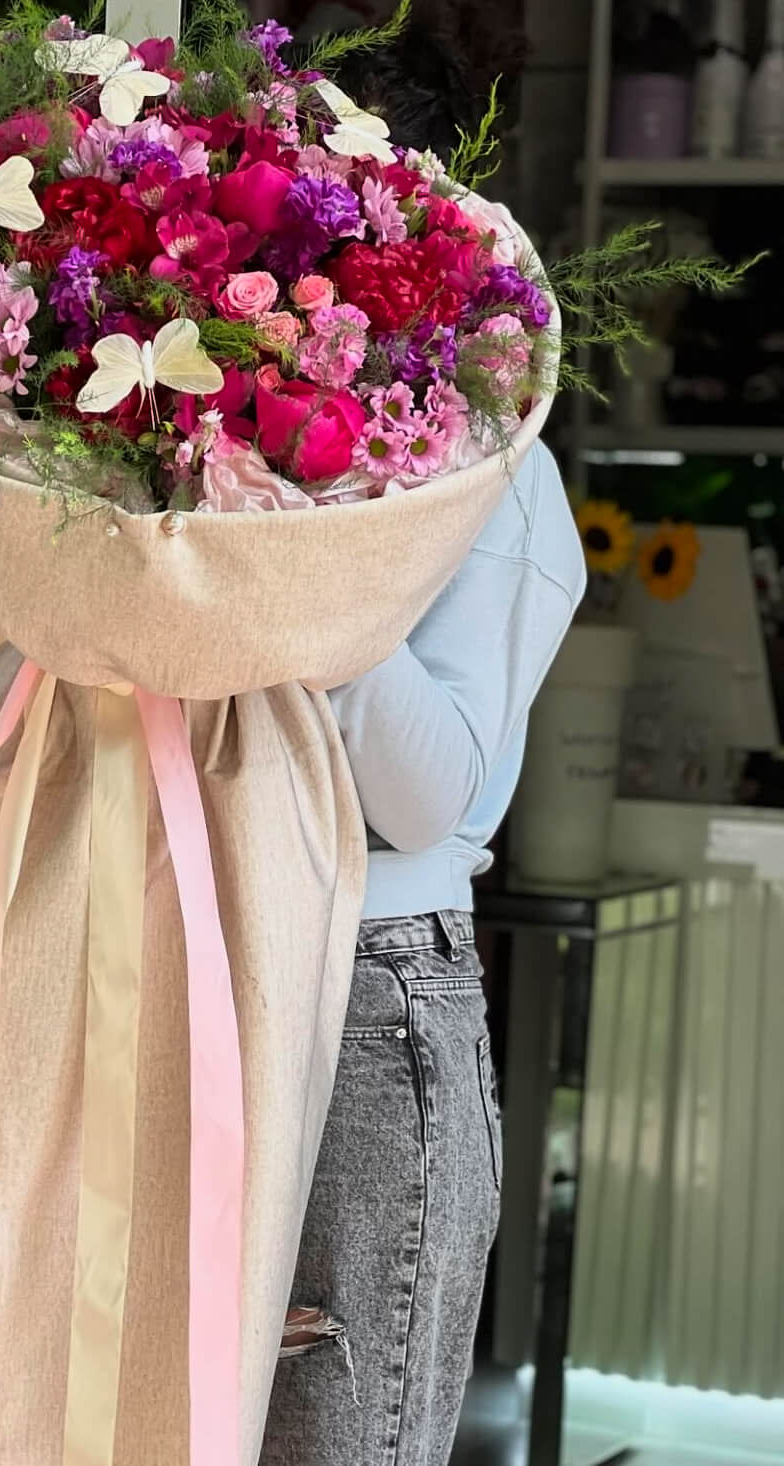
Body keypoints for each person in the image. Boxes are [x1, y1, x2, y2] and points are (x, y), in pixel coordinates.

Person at [258, 7, 587, 1465]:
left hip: (367, 996)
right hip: (215, 963)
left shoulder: (494, 471)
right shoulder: (222, 420)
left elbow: (430, 791)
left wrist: (312, 555)